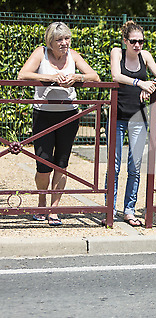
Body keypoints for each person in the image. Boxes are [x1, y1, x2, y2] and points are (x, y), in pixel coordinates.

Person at [17, 22, 100, 226]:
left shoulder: (74, 55)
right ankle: (42, 201)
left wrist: (76, 77)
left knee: (61, 164)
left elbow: (95, 77)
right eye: (59, 40)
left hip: (69, 116)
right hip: (43, 115)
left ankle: (54, 209)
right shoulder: (41, 52)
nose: (64, 43)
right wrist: (51, 78)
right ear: (50, 42)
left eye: (67, 38)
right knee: (43, 164)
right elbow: (22, 75)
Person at [108, 21, 156, 227]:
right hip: (117, 115)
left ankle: (129, 210)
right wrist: (139, 82)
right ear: (125, 41)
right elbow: (116, 75)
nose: (138, 45)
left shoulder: (146, 56)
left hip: (138, 117)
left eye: (141, 41)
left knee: (135, 166)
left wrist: (151, 84)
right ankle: (110, 209)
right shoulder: (117, 52)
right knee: (113, 166)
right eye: (133, 41)